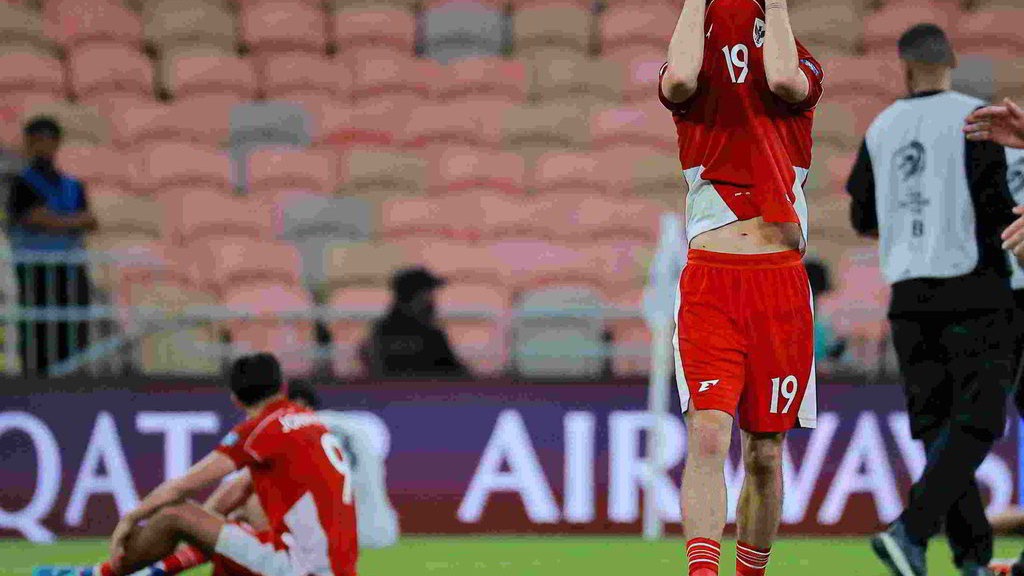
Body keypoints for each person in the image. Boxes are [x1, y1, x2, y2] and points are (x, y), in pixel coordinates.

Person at [845, 24, 1018, 576]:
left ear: (903, 66)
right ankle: (911, 530)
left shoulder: (881, 127)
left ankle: (972, 557)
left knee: (937, 426)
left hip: (908, 295)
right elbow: (997, 208)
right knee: (978, 420)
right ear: (951, 62)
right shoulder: (975, 118)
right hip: (974, 285)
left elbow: (863, 217)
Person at [659, 0, 823, 574]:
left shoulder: (802, 68)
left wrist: (775, 5)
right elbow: (678, 77)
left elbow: (781, 77)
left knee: (765, 451)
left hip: (778, 282)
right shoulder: (694, 79)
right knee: (707, 434)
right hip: (712, 280)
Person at [62, 353, 359, 576]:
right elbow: (238, 490)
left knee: (175, 514)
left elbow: (182, 486)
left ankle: (101, 574)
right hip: (338, 566)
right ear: (282, 386)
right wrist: (207, 526)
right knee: (243, 513)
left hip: (300, 566)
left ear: (235, 400)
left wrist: (131, 518)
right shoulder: (310, 421)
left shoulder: (259, 430)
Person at [105, 379, 399, 576]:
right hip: (378, 534)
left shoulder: (290, 431)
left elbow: (237, 486)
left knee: (246, 507)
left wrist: (203, 524)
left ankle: (149, 567)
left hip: (329, 549)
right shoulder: (348, 426)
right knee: (246, 518)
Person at [7, 116, 98, 376]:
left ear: (57, 144)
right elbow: (31, 216)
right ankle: (37, 383)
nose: (41, 147)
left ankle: (73, 383)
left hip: (70, 273)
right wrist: (71, 221)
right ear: (27, 144)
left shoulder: (73, 185)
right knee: (38, 334)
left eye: (47, 140)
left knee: (72, 333)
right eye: (36, 141)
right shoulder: (20, 184)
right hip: (35, 273)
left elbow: (90, 220)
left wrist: (55, 220)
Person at [363, 267, 469, 379]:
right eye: (427, 295)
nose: (432, 302)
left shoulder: (380, 331)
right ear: (410, 298)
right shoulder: (431, 337)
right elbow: (461, 377)